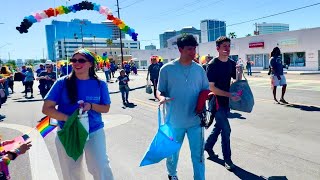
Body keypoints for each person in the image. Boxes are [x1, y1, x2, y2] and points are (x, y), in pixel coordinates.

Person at [42, 48, 114, 180]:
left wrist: (91, 106)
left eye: (81, 60)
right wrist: (68, 119)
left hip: (93, 131)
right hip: (68, 131)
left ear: (90, 64)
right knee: (71, 172)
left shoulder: (100, 84)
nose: (76, 63)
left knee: (100, 166)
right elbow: (47, 108)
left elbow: (106, 108)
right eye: (73, 60)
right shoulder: (62, 82)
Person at [157, 34, 209, 180]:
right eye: (189, 49)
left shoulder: (199, 70)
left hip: (196, 121)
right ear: (180, 49)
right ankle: (172, 174)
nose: (193, 52)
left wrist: (211, 96)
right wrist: (161, 97)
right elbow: (159, 90)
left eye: (194, 49)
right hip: (174, 122)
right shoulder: (166, 69)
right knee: (172, 153)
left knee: (198, 155)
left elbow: (205, 90)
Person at [204, 36, 242, 171]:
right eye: (224, 46)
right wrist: (230, 94)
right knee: (226, 129)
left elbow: (236, 82)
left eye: (229, 46)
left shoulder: (231, 63)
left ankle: (208, 146)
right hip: (216, 102)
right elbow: (211, 88)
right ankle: (228, 159)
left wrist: (239, 73)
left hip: (226, 101)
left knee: (219, 127)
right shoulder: (212, 65)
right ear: (218, 48)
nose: (227, 48)